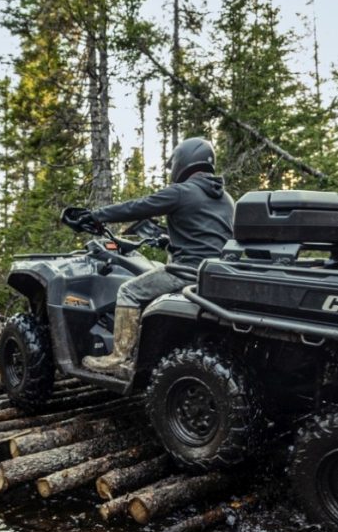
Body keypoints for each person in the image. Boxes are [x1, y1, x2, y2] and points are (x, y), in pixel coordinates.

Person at [79, 137, 234, 378]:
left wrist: (96, 216)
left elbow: (138, 206)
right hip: (216, 275)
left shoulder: (181, 192)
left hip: (185, 272)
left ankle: (118, 359)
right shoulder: (226, 199)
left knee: (128, 292)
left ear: (183, 161)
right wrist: (168, 242)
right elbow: (207, 236)